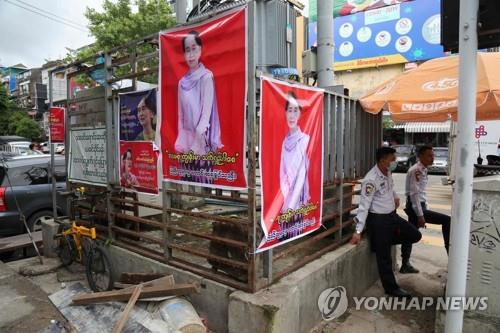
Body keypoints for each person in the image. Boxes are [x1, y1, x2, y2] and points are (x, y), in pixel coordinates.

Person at [350, 146, 422, 297]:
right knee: (384, 259)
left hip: (392, 217)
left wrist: (395, 196)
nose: (395, 162)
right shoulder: (371, 179)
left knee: (415, 235)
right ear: (383, 160)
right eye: (392, 159)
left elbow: (391, 188)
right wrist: (358, 231)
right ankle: (391, 288)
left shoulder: (387, 172)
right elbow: (364, 206)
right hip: (379, 221)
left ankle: (382, 242)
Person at [401, 145, 451, 273]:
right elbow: (414, 194)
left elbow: (422, 192)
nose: (432, 158)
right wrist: (420, 215)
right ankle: (451, 256)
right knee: (447, 220)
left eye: (433, 155)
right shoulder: (416, 170)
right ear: (421, 156)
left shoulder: (423, 169)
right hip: (415, 207)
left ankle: (405, 264)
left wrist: (425, 208)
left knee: (409, 234)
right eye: (429, 155)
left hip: (418, 207)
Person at [174, 30, 222, 155]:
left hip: (202, 144)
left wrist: (194, 148)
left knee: (201, 174)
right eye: (187, 50)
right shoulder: (181, 83)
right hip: (185, 144)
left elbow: (205, 116)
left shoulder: (206, 77)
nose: (191, 55)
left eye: (194, 49)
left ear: (200, 50)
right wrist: (182, 143)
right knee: (184, 174)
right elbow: (181, 116)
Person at [279, 91, 310, 238]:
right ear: (285, 113)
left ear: (300, 114)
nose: (292, 115)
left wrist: (291, 205)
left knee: (295, 236)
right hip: (286, 198)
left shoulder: (304, 140)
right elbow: (282, 172)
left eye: (295, 110)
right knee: (283, 236)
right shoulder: (285, 141)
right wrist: (285, 198)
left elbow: (301, 176)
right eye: (289, 110)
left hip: (297, 201)